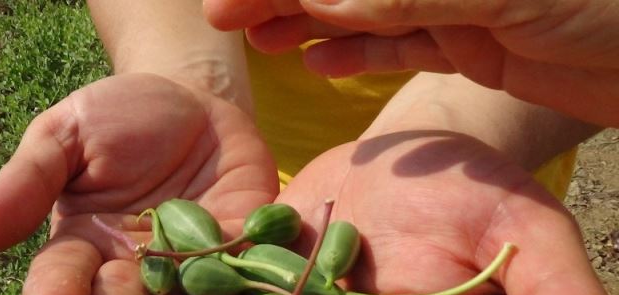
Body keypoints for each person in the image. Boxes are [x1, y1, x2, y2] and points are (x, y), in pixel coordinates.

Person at [0, 0, 619, 295]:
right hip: (216, 166)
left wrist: (463, 122)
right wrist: (186, 75)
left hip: (436, 217)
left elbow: (586, 39)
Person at [203, 0, 619, 128]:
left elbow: (578, 60)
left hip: (487, 152)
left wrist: (453, 125)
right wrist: (198, 80)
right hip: (239, 154)